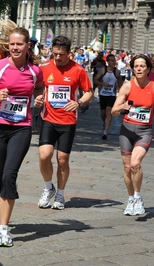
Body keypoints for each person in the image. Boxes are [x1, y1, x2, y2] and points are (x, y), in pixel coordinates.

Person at [0, 26, 44, 247]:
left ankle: (3, 228)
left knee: (9, 175)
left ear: (27, 46)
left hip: (21, 128)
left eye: (19, 44)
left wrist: (40, 98)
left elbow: (40, 87)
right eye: (12, 44)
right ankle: (6, 192)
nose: (15, 47)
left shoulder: (35, 70)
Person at [36, 35, 93, 210]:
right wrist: (38, 98)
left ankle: (60, 194)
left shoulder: (78, 70)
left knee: (62, 159)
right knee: (44, 155)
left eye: (61, 54)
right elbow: (37, 87)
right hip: (48, 118)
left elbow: (89, 91)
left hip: (67, 121)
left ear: (69, 53)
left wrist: (79, 103)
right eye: (54, 54)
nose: (57, 58)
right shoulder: (44, 67)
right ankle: (48, 187)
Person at [111, 54, 154, 216]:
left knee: (135, 164)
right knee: (127, 168)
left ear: (148, 69)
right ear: (132, 69)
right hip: (126, 131)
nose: (139, 69)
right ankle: (130, 199)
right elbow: (114, 111)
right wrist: (122, 107)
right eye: (136, 66)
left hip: (144, 131)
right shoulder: (127, 86)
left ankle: (138, 197)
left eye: (142, 66)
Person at [93, 54, 122, 139]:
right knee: (103, 113)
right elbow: (95, 80)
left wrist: (120, 90)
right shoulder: (103, 70)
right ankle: (105, 123)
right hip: (103, 94)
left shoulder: (117, 72)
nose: (114, 62)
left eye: (114, 60)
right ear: (108, 62)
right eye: (112, 61)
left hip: (111, 95)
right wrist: (102, 84)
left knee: (108, 111)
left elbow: (120, 82)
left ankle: (105, 131)